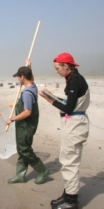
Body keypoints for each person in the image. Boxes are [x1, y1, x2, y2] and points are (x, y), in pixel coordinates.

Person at [39, 52, 89, 209]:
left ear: (66, 66)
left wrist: (49, 99)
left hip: (75, 125)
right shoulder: (74, 79)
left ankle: (71, 201)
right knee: (67, 160)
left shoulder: (75, 81)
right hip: (74, 124)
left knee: (70, 162)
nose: (56, 71)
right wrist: (52, 95)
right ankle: (67, 194)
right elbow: (72, 102)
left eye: (57, 68)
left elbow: (68, 108)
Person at [6, 65, 50, 185]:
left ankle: (42, 170)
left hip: (25, 126)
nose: (18, 79)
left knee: (24, 150)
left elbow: (27, 112)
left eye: (18, 77)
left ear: (23, 77)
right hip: (26, 125)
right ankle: (20, 175)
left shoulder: (27, 93)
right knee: (22, 149)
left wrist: (12, 119)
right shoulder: (33, 85)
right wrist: (29, 65)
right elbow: (31, 78)